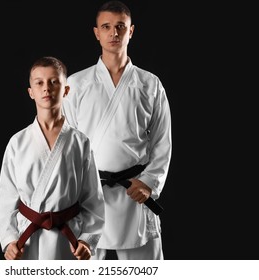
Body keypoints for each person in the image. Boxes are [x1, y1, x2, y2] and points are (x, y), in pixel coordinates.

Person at [62, 1, 172, 260]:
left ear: (131, 31)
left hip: (134, 191)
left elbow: (162, 142)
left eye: (120, 27)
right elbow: (67, 144)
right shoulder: (77, 84)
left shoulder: (149, 84)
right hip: (89, 193)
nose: (113, 33)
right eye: (106, 27)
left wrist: (149, 182)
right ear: (96, 33)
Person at [0, 56, 105, 260]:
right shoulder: (17, 142)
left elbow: (93, 201)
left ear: (66, 90)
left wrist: (86, 240)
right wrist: (9, 240)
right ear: (31, 92)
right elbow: (6, 201)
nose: (47, 88)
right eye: (39, 83)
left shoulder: (80, 142)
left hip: (68, 238)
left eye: (54, 82)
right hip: (27, 239)